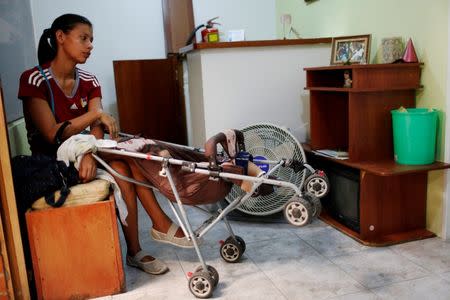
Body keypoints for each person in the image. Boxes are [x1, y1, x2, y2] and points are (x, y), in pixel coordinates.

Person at [17, 13, 192, 276]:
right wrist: (95, 115)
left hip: (88, 155)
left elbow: (98, 128)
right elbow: (53, 134)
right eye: (83, 38)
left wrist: (90, 151)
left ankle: (136, 251)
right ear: (60, 37)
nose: (90, 45)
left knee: (123, 165)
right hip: (51, 164)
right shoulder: (34, 80)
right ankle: (159, 223)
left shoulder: (89, 80)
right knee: (130, 156)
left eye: (91, 40)